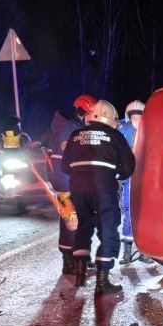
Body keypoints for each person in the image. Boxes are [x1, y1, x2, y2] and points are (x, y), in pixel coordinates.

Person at [62, 99, 135, 296]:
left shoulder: (75, 135)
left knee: (84, 226)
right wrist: (115, 175)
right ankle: (103, 283)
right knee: (108, 229)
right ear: (111, 118)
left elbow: (64, 167)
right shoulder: (115, 135)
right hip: (103, 189)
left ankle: (79, 273)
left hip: (77, 188)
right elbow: (128, 167)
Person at [41, 94, 96, 275]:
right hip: (68, 185)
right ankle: (69, 262)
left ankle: (76, 259)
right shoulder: (67, 131)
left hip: (69, 184)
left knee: (75, 221)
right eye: (91, 114)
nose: (92, 118)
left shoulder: (69, 127)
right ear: (83, 112)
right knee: (71, 222)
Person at [117, 99, 145, 264]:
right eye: (134, 116)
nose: (136, 119)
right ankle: (128, 252)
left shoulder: (124, 131)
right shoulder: (123, 131)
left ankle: (144, 250)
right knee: (130, 213)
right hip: (132, 179)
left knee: (141, 213)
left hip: (143, 178)